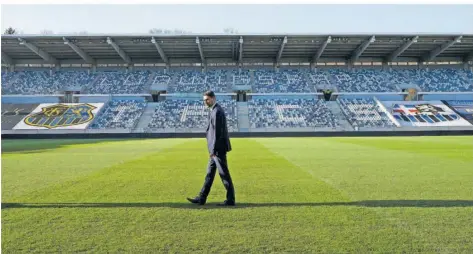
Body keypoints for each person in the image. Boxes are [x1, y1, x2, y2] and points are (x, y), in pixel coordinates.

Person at [187, 91, 236, 206]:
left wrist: (213, 151)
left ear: (213, 98)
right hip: (215, 150)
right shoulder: (214, 110)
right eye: (204, 100)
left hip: (218, 150)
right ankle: (201, 198)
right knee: (209, 174)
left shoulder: (217, 111)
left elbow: (217, 133)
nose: (205, 102)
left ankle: (230, 200)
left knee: (224, 174)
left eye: (207, 99)